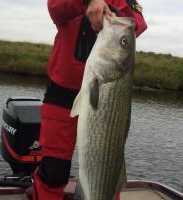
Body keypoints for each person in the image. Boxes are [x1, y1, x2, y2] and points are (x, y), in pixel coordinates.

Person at [25, 0, 147, 199]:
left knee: (107, 167)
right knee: (53, 170)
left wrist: (113, 11)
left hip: (106, 92)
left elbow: (137, 24)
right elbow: (55, 8)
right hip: (62, 93)